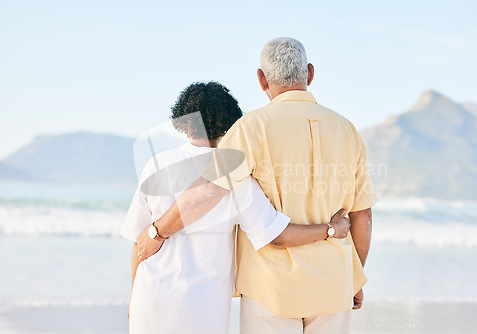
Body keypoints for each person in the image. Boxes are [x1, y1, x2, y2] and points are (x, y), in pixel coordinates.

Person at [136, 37, 376, 333]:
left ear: (262, 79)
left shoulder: (251, 127)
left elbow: (209, 190)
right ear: (310, 74)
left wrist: (157, 232)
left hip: (271, 289)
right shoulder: (348, 130)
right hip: (334, 284)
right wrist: (355, 277)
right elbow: (362, 216)